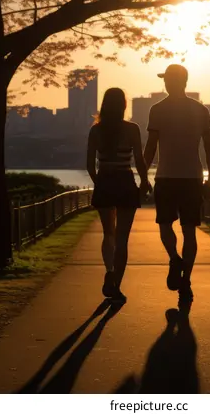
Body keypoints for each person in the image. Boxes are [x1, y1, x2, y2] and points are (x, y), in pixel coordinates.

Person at [144, 64, 210, 304]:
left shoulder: (158, 110)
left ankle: (174, 258)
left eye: (167, 79)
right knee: (189, 230)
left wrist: (143, 176)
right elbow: (209, 147)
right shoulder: (200, 110)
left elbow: (151, 147)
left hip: (166, 176)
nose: (165, 83)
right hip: (192, 177)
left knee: (165, 225)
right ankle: (185, 279)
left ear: (175, 81)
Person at [87, 87, 151, 304]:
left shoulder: (96, 130)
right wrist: (145, 181)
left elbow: (89, 165)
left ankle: (108, 269)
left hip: (105, 179)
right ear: (124, 105)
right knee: (123, 238)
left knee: (108, 234)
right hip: (125, 181)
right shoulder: (132, 129)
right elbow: (140, 161)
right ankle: (117, 284)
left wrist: (100, 183)